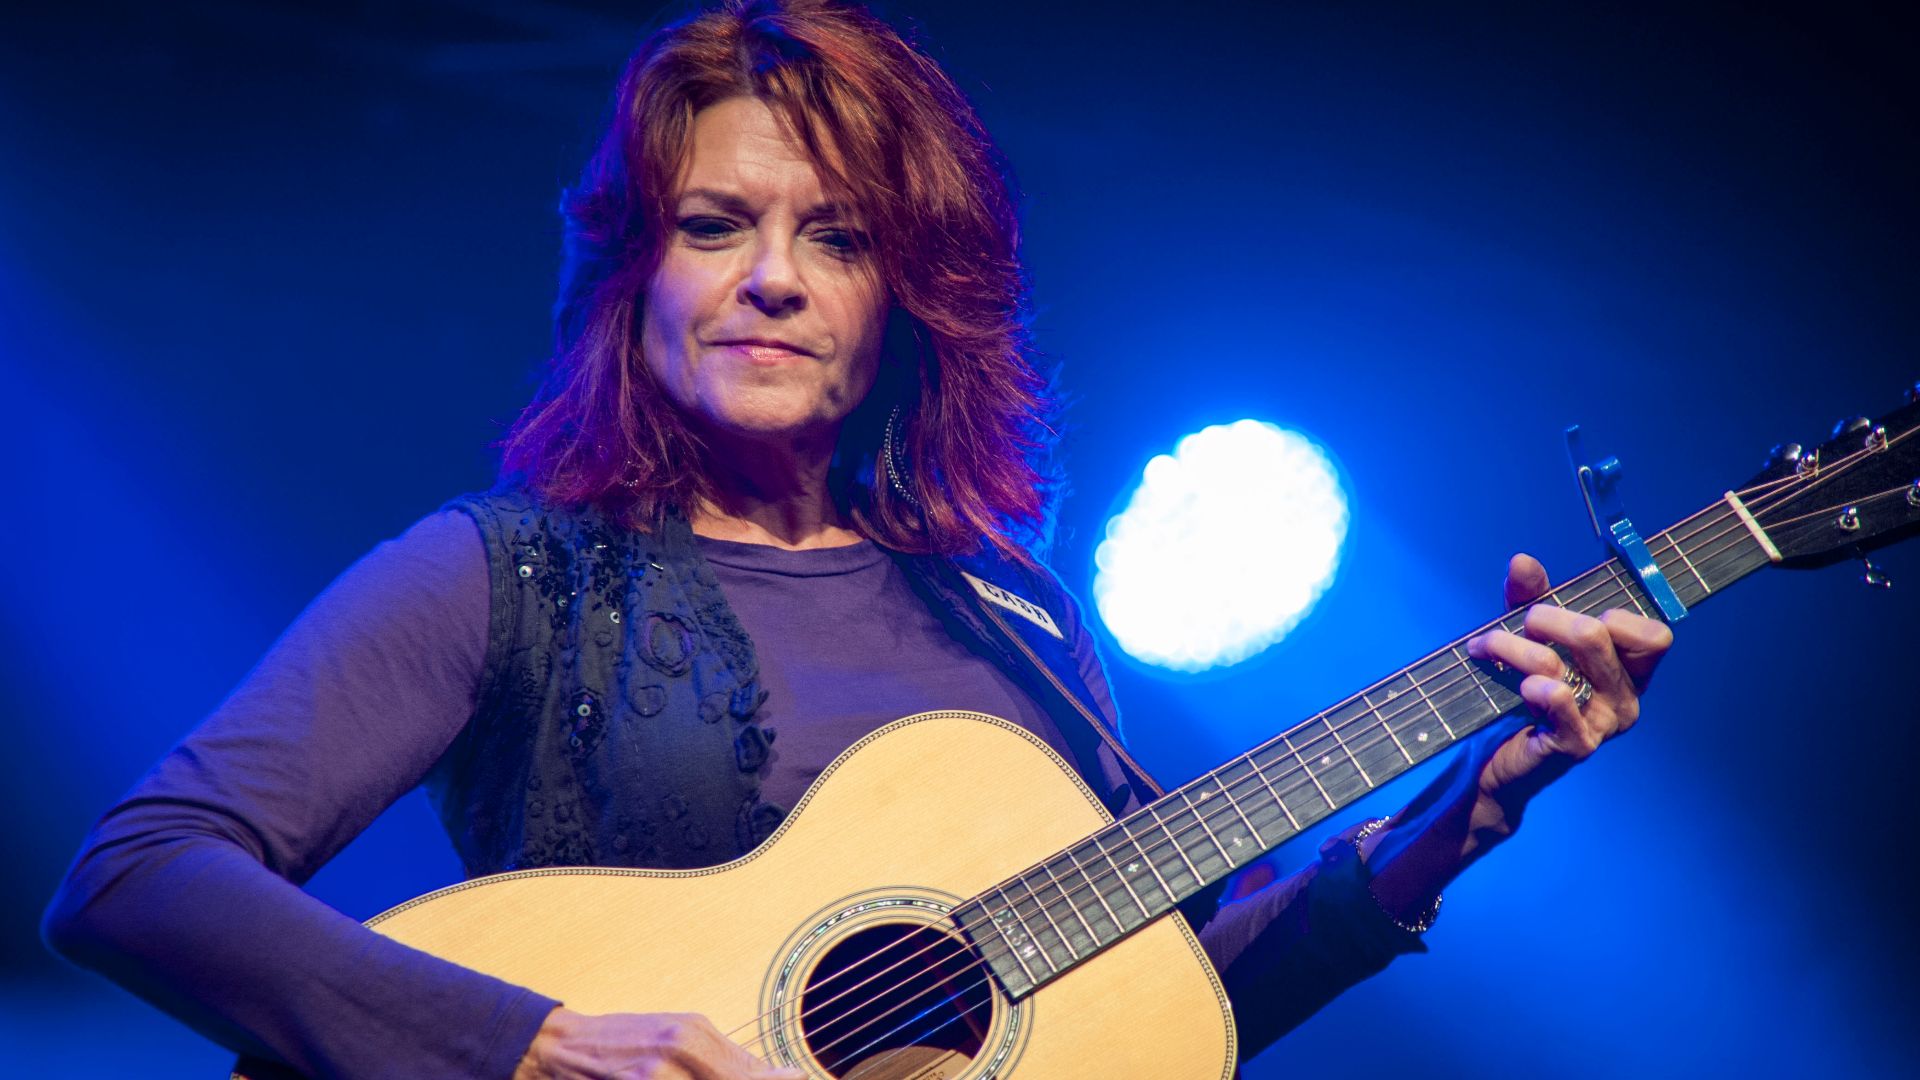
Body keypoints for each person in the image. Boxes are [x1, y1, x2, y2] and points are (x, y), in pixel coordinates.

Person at [42, 2, 1675, 1077]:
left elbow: (1167, 1013)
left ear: (905, 296)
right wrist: (535, 1046)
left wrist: (1457, 820)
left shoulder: (1007, 613)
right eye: (713, 226)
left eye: (834, 238)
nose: (772, 277)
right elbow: (134, 880)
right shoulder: (508, 571)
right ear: (635, 276)